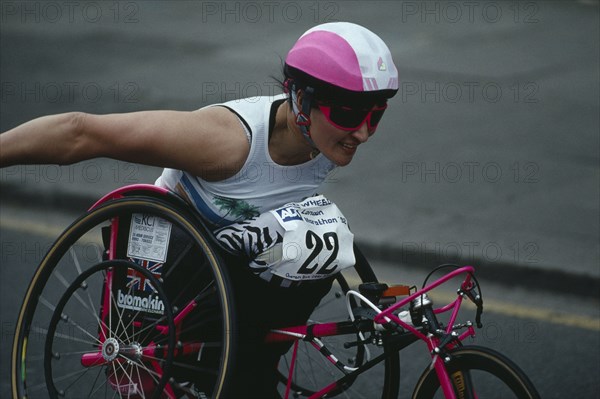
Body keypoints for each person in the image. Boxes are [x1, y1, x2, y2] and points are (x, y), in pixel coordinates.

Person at [0, 22, 398, 398]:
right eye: (347, 114)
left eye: (375, 116)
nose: (363, 132)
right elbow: (80, 131)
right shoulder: (224, 143)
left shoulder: (324, 138)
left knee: (320, 239)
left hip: (231, 265)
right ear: (300, 99)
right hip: (160, 272)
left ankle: (254, 363)